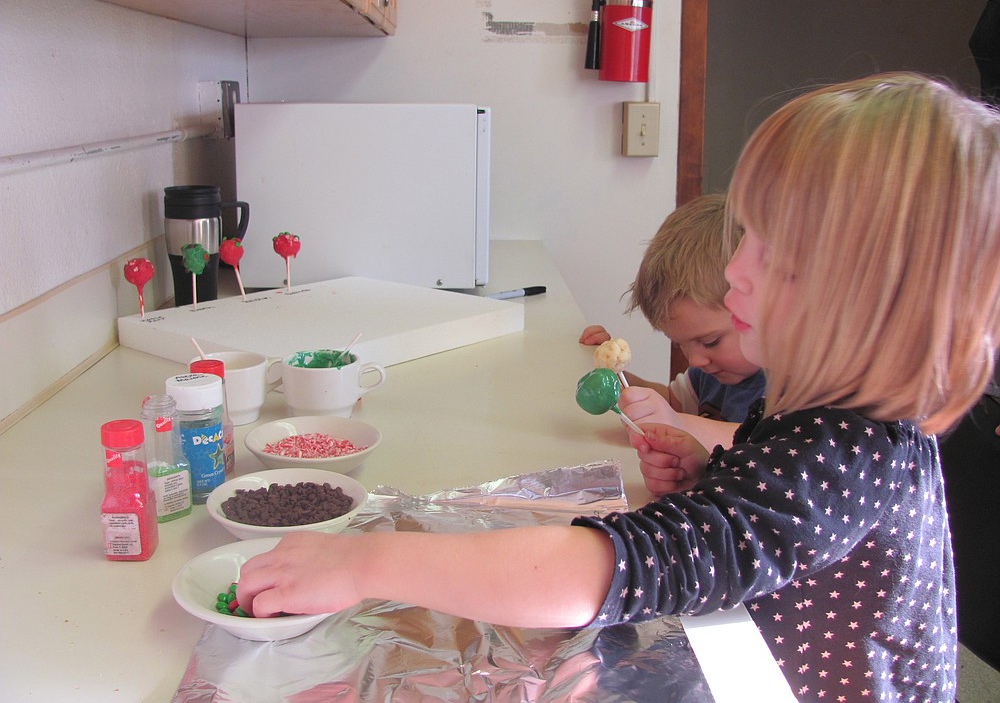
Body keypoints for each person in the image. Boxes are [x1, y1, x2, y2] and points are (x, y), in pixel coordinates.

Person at [237, 73, 1000, 702]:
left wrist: (363, 565)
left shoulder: (848, 445)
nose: (737, 268)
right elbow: (784, 528)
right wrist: (716, 477)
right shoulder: (829, 415)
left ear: (868, 295)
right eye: (748, 233)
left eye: (775, 253)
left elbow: (610, 569)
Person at [580, 194, 764, 453]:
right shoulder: (710, 372)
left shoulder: (788, 387)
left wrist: (678, 424)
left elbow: (765, 445)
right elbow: (671, 402)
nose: (695, 360)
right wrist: (617, 380)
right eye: (682, 345)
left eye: (710, 342)